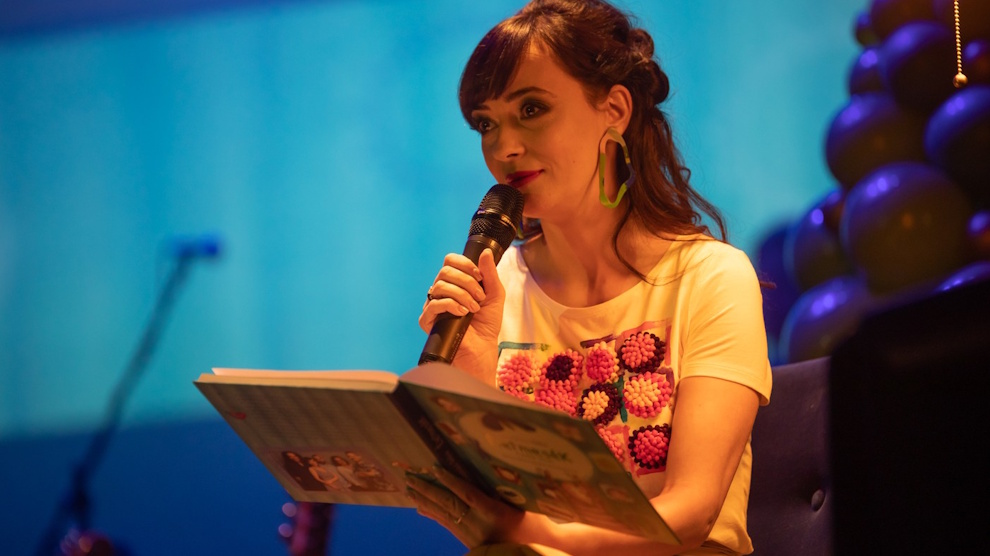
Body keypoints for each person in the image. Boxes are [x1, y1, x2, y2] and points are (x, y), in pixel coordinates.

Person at [408, 1, 772, 555]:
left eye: (531, 109)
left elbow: (692, 512)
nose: (504, 148)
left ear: (615, 109)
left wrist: (535, 534)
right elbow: (486, 514)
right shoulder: (494, 286)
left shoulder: (711, 276)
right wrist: (473, 370)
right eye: (486, 124)